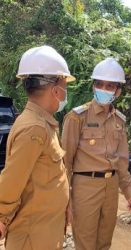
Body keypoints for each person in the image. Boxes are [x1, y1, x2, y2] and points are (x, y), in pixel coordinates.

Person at [0, 45, 75, 249]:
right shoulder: (34, 128)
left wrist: (65, 204)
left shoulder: (43, 123)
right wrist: (2, 218)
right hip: (33, 237)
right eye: (64, 85)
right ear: (56, 89)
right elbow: (11, 181)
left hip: (45, 231)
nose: (65, 91)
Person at [61, 57, 131, 250]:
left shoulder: (119, 120)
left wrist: (129, 193)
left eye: (110, 85)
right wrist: (64, 201)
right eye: (100, 84)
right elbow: (65, 163)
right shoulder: (77, 117)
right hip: (85, 187)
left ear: (118, 91)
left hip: (111, 187)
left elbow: (122, 161)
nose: (103, 89)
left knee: (104, 242)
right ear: (94, 86)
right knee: (85, 243)